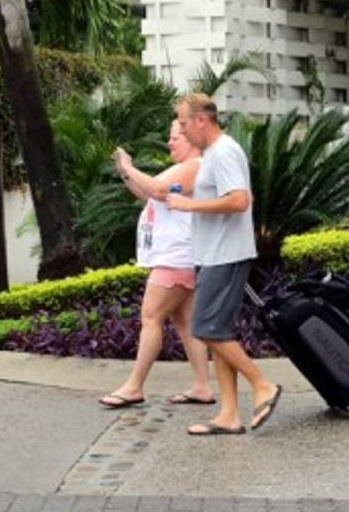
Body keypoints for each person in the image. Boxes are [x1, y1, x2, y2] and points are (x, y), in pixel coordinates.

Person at [167, 93, 283, 433]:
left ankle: (262, 384)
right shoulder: (213, 154)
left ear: (201, 120)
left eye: (184, 124)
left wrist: (190, 205)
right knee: (218, 331)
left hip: (226, 256)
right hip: (213, 255)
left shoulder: (224, 151)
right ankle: (229, 415)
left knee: (205, 328)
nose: (182, 132)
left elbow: (240, 200)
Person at [98, 122, 214, 409]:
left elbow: (159, 190)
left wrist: (130, 166)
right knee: (185, 322)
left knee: (151, 318)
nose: (169, 143)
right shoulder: (180, 168)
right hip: (178, 258)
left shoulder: (195, 166)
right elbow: (147, 192)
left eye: (175, 138)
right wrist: (125, 171)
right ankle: (202, 386)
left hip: (174, 258)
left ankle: (134, 386)